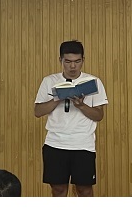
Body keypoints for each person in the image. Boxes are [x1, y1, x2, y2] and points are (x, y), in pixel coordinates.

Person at [34, 40, 108, 197]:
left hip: (83, 144)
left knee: (84, 190)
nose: (73, 66)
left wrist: (81, 105)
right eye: (68, 62)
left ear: (83, 60)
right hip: (55, 143)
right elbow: (38, 111)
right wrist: (57, 98)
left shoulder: (93, 82)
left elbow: (99, 115)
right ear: (60, 60)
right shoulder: (49, 81)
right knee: (58, 190)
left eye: (77, 61)